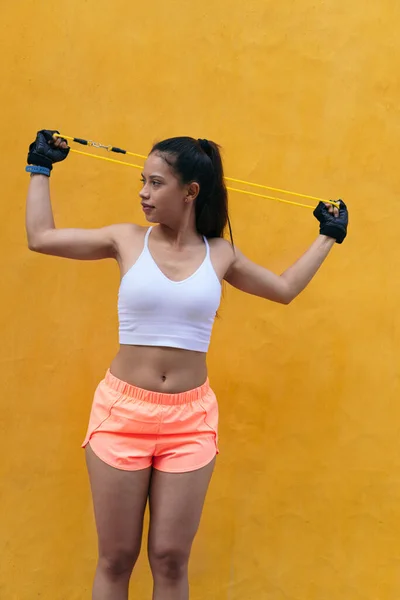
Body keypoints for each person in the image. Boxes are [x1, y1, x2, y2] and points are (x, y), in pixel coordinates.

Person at [25, 129, 348, 600]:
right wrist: (40, 168)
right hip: (122, 414)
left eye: (156, 183)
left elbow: (283, 289)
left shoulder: (220, 254)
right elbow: (41, 237)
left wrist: (328, 236)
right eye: (142, 181)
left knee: (171, 560)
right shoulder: (126, 239)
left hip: (190, 421)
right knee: (116, 559)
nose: (143, 192)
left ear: (190, 192)